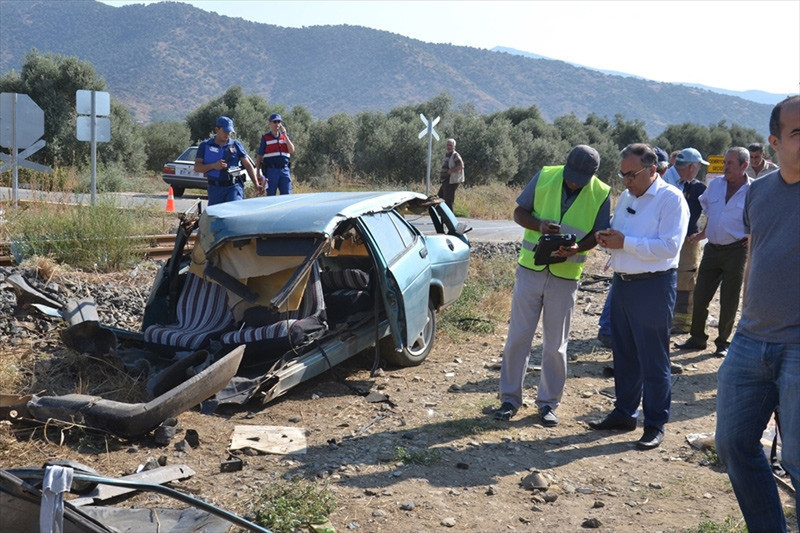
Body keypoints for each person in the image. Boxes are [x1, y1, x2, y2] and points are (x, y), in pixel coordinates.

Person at [715, 95, 799, 533]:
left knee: (799, 460)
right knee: (732, 444)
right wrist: (745, 318)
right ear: (774, 141)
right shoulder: (760, 192)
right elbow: (757, 254)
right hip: (750, 341)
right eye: (798, 133)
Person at [495, 145, 610, 427]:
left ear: (592, 175)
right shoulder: (546, 175)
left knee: (555, 346)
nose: (573, 183)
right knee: (518, 339)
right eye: (571, 176)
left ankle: (548, 404)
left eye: (579, 180)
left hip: (566, 277)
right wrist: (538, 225)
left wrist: (576, 248)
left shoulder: (602, 192)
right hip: (530, 270)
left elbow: (597, 235)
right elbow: (518, 212)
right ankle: (509, 399)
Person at [590, 143, 689, 450]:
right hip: (622, 284)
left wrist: (626, 242)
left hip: (653, 286)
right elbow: (621, 238)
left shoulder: (671, 200)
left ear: (652, 170)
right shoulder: (627, 198)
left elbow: (670, 247)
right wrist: (607, 239)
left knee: (653, 358)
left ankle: (656, 423)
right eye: (622, 175)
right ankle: (624, 413)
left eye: (631, 174)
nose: (626, 181)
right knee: (624, 353)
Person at [675, 147, 752, 357]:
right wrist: (702, 234)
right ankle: (697, 338)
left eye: (730, 164)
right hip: (712, 249)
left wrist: (752, 235)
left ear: (744, 166)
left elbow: (762, 217)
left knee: (729, 298)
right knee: (700, 295)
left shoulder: (753, 190)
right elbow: (709, 211)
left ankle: (723, 342)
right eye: (725, 162)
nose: (725, 167)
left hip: (737, 251)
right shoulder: (716, 185)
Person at [671, 148, 709, 333]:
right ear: (692, 167)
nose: (699, 170)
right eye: (699, 166)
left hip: (689, 241)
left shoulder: (699, 188)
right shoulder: (666, 181)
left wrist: (703, 234)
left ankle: (682, 323)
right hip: (668, 240)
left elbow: (715, 212)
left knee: (686, 280)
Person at [194, 116, 258, 206]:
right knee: (216, 215)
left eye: (229, 132)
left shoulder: (236, 145)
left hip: (234, 186)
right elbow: (197, 168)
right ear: (217, 129)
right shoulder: (205, 145)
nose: (227, 134)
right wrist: (213, 166)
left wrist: (256, 184)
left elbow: (248, 165)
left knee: (234, 211)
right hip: (215, 188)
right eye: (225, 131)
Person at [256, 113, 296, 196]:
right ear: (270, 123)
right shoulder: (266, 138)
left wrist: (285, 136)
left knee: (287, 195)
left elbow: (291, 150)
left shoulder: (285, 137)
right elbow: (260, 156)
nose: (277, 124)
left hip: (284, 170)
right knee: (271, 195)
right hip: (271, 170)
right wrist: (258, 172)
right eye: (274, 122)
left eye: (278, 122)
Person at [437, 138, 465, 211]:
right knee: (439, 197)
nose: (449, 147)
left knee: (448, 201)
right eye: (448, 145)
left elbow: (461, 166)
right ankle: (443, 217)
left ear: (454, 147)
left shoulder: (455, 155)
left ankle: (450, 219)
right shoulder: (447, 155)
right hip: (445, 180)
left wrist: (451, 171)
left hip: (451, 181)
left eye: (450, 145)